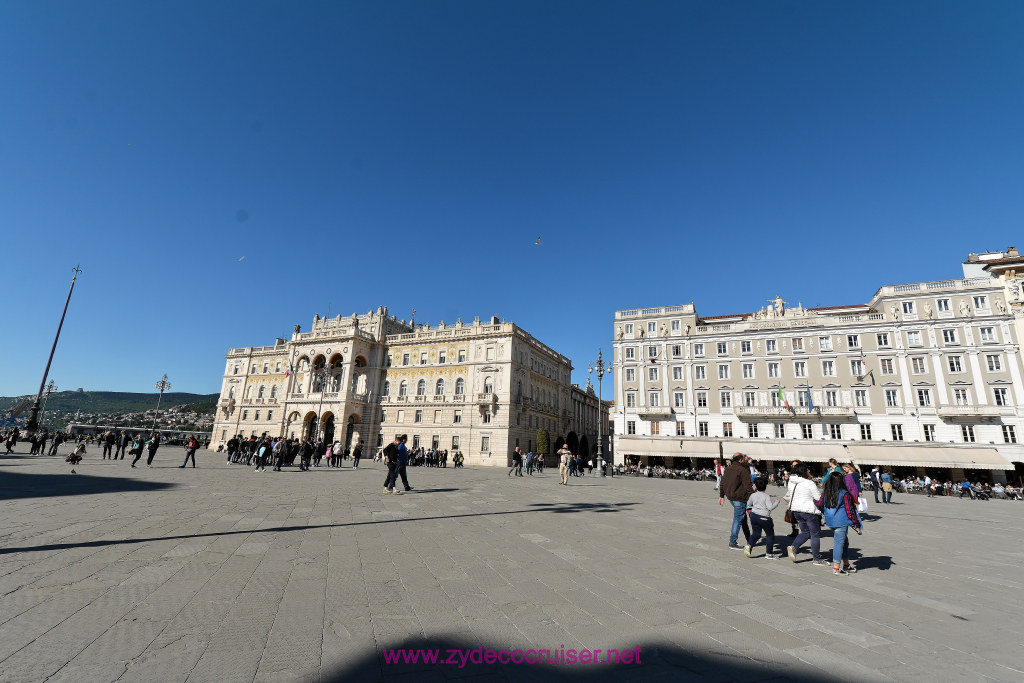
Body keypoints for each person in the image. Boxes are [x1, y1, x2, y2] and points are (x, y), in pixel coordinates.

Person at [786, 464, 828, 566]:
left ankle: (794, 547)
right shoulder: (809, 483)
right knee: (815, 534)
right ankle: (816, 559)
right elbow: (818, 498)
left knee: (805, 532)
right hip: (809, 511)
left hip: (796, 511)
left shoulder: (791, 482)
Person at [821, 470, 862, 575]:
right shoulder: (844, 493)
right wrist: (857, 525)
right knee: (839, 543)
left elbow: (820, 504)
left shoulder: (826, 492)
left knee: (844, 542)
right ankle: (836, 568)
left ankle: (846, 564)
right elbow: (850, 511)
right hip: (841, 521)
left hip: (830, 521)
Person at [719, 453, 754, 550]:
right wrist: (754, 498)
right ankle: (732, 542)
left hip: (731, 497)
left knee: (743, 519)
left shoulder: (728, 468)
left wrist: (722, 495)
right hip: (740, 497)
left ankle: (749, 539)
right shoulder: (742, 470)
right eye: (744, 458)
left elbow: (723, 482)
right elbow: (748, 486)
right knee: (738, 519)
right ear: (741, 460)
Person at [745, 477, 780, 559]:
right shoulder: (766, 496)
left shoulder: (753, 495)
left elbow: (749, 504)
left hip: (754, 516)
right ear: (765, 487)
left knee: (756, 534)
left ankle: (749, 545)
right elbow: (770, 507)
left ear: (756, 487)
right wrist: (776, 502)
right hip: (764, 518)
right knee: (770, 535)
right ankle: (769, 553)